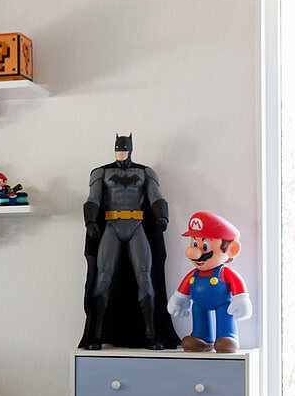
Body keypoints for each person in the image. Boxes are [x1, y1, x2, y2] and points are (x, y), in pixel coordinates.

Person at [80, 133, 179, 350]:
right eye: (118, 148)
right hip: (111, 225)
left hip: (136, 225)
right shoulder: (102, 172)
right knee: (103, 277)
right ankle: (96, 334)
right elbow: (93, 199)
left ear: (131, 148)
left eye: (124, 148)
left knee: (145, 277)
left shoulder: (145, 172)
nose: (121, 152)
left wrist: (162, 216)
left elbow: (156, 197)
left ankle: (151, 333)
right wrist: (90, 221)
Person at [168, 212, 252, 353]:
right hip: (199, 304)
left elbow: (237, 284)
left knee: (225, 316)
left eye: (204, 246)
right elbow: (185, 287)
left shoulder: (224, 273)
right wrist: (179, 299)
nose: (194, 252)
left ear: (232, 249)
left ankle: (227, 337)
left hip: (223, 305)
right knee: (199, 316)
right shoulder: (194, 274)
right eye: (194, 244)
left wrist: (241, 299)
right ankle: (202, 338)